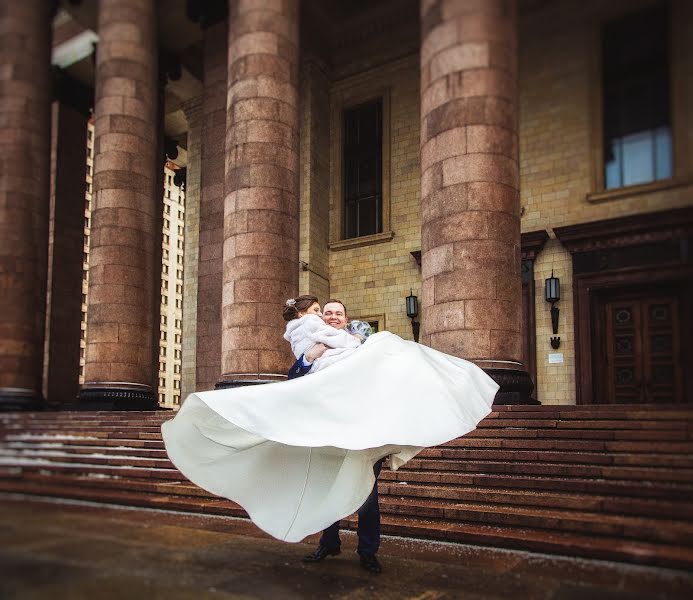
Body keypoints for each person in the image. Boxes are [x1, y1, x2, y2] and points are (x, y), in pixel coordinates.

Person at [288, 299, 385, 574]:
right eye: (327, 313)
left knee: (367, 494)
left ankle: (368, 551)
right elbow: (292, 378)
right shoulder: (311, 344)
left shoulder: (361, 345)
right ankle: (328, 543)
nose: (331, 317)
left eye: (337, 313)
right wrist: (310, 358)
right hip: (327, 431)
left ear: (346, 318)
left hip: (362, 431)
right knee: (327, 491)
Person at [282, 295, 362, 373]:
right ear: (322, 318)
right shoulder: (310, 323)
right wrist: (308, 358)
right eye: (328, 313)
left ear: (345, 320)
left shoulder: (296, 329)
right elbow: (293, 376)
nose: (333, 317)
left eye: (338, 314)